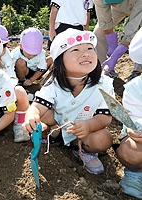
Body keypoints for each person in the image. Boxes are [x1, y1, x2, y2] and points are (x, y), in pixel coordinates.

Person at [23, 29, 114, 174]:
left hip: (85, 132)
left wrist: (88, 125)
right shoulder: (53, 83)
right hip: (59, 124)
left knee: (104, 139)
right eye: (76, 49)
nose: (85, 53)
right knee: (43, 114)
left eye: (90, 48)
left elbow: (105, 117)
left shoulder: (105, 84)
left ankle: (82, 149)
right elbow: (37, 107)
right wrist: (31, 117)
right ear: (60, 60)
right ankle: (53, 133)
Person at [115, 26, 142, 199]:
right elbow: (134, 118)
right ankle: (135, 175)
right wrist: (135, 129)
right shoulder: (134, 88)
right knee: (132, 151)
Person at [93, 0, 142, 79]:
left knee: (140, 38)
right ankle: (103, 69)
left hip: (139, 4)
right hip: (119, 8)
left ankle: (137, 72)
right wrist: (112, 45)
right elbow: (105, 23)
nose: (112, 4)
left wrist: (115, 57)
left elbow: (129, 33)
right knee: (98, 33)